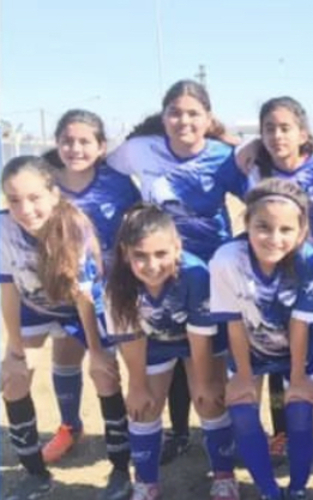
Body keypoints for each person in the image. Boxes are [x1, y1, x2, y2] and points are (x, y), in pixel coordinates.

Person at [107, 79, 249, 464]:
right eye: (175, 112)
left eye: (193, 113)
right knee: (167, 345)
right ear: (163, 115)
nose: (183, 121)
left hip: (208, 276)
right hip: (156, 269)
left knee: (204, 360)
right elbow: (101, 168)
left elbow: (256, 195)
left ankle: (222, 438)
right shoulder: (140, 150)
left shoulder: (223, 156)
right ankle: (180, 432)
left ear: (208, 118)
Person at [1, 156, 131, 500]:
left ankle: (120, 470)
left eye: (34, 198)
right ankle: (35, 475)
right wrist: (15, 351)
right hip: (33, 306)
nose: (25, 209)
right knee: (13, 379)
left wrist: (98, 352)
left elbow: (83, 295)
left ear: (54, 194)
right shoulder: (3, 229)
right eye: (13, 200)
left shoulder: (74, 227)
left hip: (79, 308)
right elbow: (8, 289)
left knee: (104, 374)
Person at [105, 204, 237, 500]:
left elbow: (199, 336)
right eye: (140, 256)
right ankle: (146, 482)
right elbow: (132, 339)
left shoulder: (195, 273)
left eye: (161, 254)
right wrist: (137, 387)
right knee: (143, 407)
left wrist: (203, 382)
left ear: (177, 247)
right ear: (126, 253)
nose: (151, 265)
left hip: (199, 341)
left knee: (210, 400)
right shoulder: (116, 285)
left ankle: (224, 477)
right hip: (155, 343)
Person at [238, 97, 313, 453]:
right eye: (268, 128)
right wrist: (244, 144)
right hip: (276, 278)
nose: (276, 135)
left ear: (303, 133)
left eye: (285, 128)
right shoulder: (257, 172)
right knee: (277, 348)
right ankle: (281, 433)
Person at [38, 109, 140, 464]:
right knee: (66, 351)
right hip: (68, 288)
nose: (75, 148)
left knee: (116, 360)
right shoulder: (46, 180)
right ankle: (69, 426)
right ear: (57, 143)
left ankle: (126, 426)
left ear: (101, 146)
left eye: (84, 141)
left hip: (114, 289)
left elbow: (136, 222)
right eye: (67, 140)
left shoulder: (117, 180)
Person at [210, 178, 313, 500]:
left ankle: (298, 488)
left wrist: (299, 377)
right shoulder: (227, 260)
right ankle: (269, 491)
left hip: (295, 349)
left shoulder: (308, 260)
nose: (274, 238)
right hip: (250, 347)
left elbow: (301, 323)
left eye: (286, 230)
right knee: (243, 412)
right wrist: (244, 375)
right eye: (263, 226)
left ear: (301, 232)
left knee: (300, 409)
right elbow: (232, 321)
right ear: (246, 223)